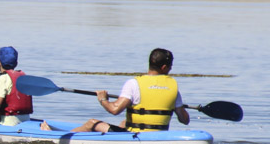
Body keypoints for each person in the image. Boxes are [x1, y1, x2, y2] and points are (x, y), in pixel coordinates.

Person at [45, 47, 189, 133]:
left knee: (92, 122)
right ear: (164, 67)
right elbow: (184, 120)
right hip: (160, 135)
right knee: (123, 123)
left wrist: (103, 99)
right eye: (171, 66)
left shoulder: (134, 84)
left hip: (137, 136)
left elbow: (114, 109)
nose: (170, 69)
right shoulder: (173, 88)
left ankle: (55, 137)